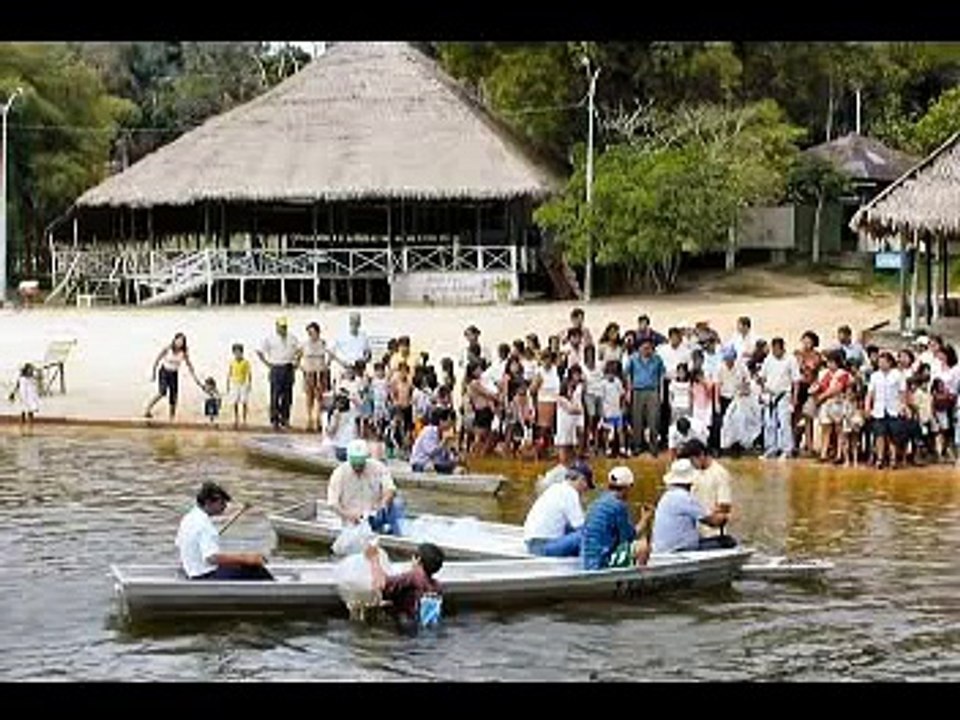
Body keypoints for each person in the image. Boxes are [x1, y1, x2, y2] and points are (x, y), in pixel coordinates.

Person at [175, 481, 273, 580]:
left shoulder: (188, 518)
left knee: (240, 565)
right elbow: (212, 558)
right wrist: (247, 558)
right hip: (205, 577)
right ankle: (276, 590)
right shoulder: (204, 525)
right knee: (253, 568)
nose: (225, 506)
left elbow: (180, 546)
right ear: (209, 502)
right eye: (222, 503)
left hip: (193, 573)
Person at [650, 459, 733, 553]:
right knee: (728, 541)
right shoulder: (685, 498)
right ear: (689, 481)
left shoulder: (666, 496)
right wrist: (725, 517)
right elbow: (712, 522)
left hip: (662, 548)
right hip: (679, 549)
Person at [580, 466, 653, 570]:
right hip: (602, 562)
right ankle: (638, 579)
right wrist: (644, 520)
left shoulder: (596, 502)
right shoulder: (618, 506)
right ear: (627, 487)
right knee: (642, 546)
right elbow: (628, 538)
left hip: (587, 560)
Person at [327, 439, 404, 535]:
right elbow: (332, 503)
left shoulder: (378, 467)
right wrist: (348, 515)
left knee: (397, 503)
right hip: (353, 519)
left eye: (361, 464)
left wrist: (383, 503)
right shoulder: (339, 473)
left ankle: (399, 537)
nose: (358, 468)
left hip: (374, 514)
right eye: (355, 464)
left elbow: (390, 488)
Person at [364, 541, 445, 629]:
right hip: (425, 631)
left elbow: (380, 584)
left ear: (418, 559)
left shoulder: (412, 577)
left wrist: (374, 559)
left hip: (407, 632)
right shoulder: (437, 587)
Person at [523, 461, 594, 557]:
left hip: (531, 544)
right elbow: (581, 527)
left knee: (573, 531)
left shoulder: (555, 488)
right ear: (582, 479)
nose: (586, 490)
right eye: (587, 485)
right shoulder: (570, 493)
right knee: (588, 534)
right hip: (544, 546)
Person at [681, 439, 734, 546]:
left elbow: (725, 506)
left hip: (712, 533)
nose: (691, 464)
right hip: (694, 533)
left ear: (701, 455)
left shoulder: (720, 473)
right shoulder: (692, 473)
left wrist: (703, 514)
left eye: (692, 460)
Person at [758, 337, 800, 459]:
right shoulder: (768, 359)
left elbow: (796, 381)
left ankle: (786, 450)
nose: (775, 352)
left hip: (784, 395)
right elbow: (762, 376)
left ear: (782, 348)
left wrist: (794, 398)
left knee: (784, 423)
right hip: (770, 395)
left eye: (777, 349)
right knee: (769, 424)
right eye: (773, 349)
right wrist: (762, 389)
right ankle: (771, 448)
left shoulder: (791, 360)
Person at [256, 317, 301, 430]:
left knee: (287, 396)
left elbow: (300, 350)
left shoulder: (292, 338)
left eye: (284, 327)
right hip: (276, 367)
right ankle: (274, 420)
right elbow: (259, 351)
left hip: (288, 367)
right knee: (275, 395)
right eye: (281, 327)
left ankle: (285, 419)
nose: (282, 329)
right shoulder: (270, 339)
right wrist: (267, 364)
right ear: (276, 326)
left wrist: (297, 362)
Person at [146, 332, 203, 421]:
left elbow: (189, 364)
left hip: (174, 374)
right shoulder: (167, 348)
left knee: (174, 396)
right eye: (178, 340)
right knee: (162, 392)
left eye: (182, 341)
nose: (179, 343)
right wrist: (153, 373)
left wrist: (195, 377)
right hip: (164, 372)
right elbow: (157, 360)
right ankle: (147, 409)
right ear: (174, 340)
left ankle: (171, 418)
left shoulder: (183, 352)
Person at [625, 337, 666, 456]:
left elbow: (661, 377)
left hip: (653, 391)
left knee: (654, 419)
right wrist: (629, 391)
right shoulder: (633, 359)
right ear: (639, 348)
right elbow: (628, 375)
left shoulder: (657, 359)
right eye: (644, 347)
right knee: (637, 420)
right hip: (637, 391)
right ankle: (638, 446)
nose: (647, 350)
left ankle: (653, 446)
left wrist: (661, 393)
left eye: (649, 348)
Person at [301, 322, 333, 432]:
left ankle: (318, 420)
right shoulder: (304, 344)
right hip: (309, 372)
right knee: (309, 397)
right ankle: (309, 419)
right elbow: (297, 356)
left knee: (320, 398)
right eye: (309, 333)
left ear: (318, 332)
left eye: (313, 332)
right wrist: (302, 367)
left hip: (320, 372)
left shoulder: (323, 343)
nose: (311, 335)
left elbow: (331, 355)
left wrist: (326, 365)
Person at [410, 409, 458, 473]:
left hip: (435, 463)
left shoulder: (443, 433)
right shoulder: (429, 431)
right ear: (441, 421)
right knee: (430, 469)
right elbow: (431, 452)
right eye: (449, 423)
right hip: (421, 462)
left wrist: (454, 455)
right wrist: (444, 442)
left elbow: (443, 456)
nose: (450, 426)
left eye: (452, 424)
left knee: (457, 469)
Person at [332, 312, 372, 376]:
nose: (355, 323)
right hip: (345, 368)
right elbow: (332, 352)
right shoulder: (341, 336)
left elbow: (368, 352)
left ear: (359, 323)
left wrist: (365, 360)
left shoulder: (364, 336)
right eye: (353, 321)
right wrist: (342, 363)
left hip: (359, 368)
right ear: (350, 322)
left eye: (357, 321)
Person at [225, 343, 252, 429]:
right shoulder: (232, 362)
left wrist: (249, 384)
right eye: (235, 352)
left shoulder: (246, 362)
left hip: (243, 384)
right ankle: (236, 419)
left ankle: (244, 420)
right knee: (235, 402)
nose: (237, 354)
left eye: (239, 352)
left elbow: (249, 373)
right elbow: (229, 373)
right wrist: (228, 384)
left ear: (242, 352)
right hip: (234, 384)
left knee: (244, 402)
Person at [9, 363, 40, 427]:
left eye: (31, 369)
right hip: (23, 395)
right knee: (23, 412)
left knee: (31, 411)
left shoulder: (32, 378)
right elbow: (17, 386)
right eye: (29, 369)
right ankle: (21, 425)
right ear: (26, 370)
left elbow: (35, 385)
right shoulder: (21, 378)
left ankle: (30, 425)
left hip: (30, 396)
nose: (30, 371)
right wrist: (13, 393)